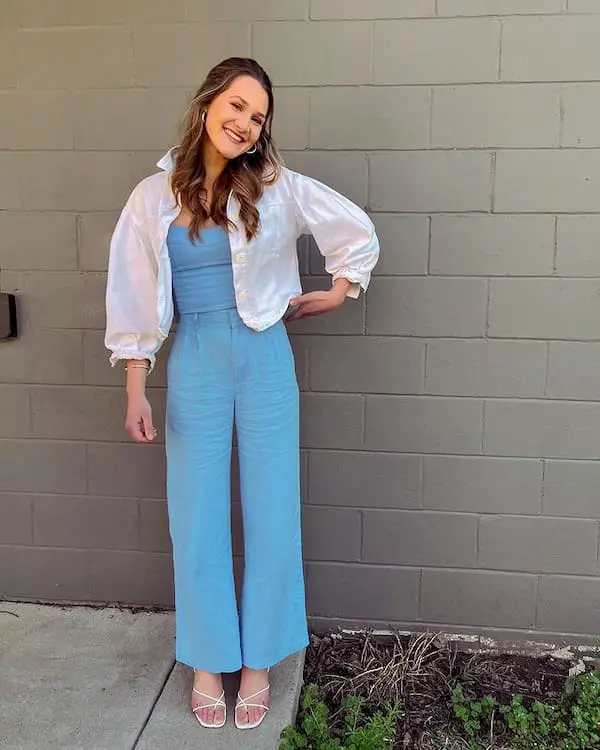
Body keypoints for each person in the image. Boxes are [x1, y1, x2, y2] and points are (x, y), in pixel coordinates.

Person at [104, 57, 379, 731]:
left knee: (270, 510)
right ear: (206, 105)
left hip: (264, 359)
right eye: (236, 105)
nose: (245, 123)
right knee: (193, 515)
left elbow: (355, 232)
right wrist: (136, 386)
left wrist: (340, 289)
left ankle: (258, 661)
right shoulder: (153, 196)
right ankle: (206, 659)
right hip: (195, 358)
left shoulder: (278, 188)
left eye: (257, 116)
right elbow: (133, 289)